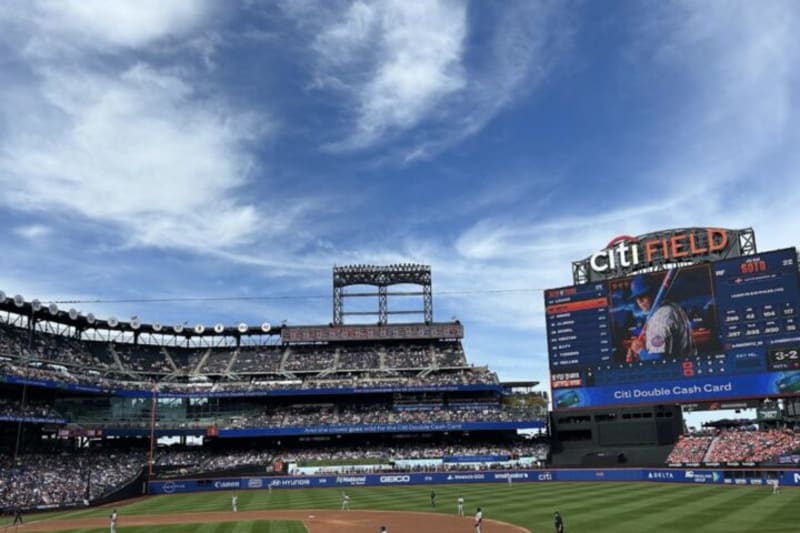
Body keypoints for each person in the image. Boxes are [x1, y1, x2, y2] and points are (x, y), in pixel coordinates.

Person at [625, 274, 696, 362]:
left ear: (654, 292)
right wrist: (640, 355)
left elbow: (658, 361)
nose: (640, 301)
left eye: (643, 295)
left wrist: (640, 351)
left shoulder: (661, 316)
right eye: (637, 297)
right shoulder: (670, 308)